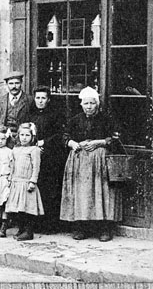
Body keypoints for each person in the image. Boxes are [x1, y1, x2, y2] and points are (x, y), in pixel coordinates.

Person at [61, 86, 122, 242]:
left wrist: (99, 142)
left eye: (92, 103)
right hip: (80, 161)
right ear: (81, 104)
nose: (89, 106)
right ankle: (81, 228)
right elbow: (64, 136)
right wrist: (72, 143)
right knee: (82, 194)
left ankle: (104, 229)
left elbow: (116, 138)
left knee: (101, 193)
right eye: (86, 103)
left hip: (100, 161)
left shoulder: (106, 119)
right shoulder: (75, 120)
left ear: (97, 104)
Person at [29, 86, 67, 232]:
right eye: (38, 98)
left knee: (50, 189)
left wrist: (44, 142)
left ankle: (51, 225)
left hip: (51, 156)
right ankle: (37, 223)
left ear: (48, 100)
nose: (40, 101)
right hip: (35, 155)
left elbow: (59, 134)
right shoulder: (31, 115)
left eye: (43, 98)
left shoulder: (55, 115)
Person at [6, 122, 44, 241]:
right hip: (17, 182)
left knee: (28, 209)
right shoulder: (15, 150)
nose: (24, 138)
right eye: (22, 135)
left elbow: (36, 167)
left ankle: (29, 231)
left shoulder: (34, 150)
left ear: (32, 137)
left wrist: (33, 181)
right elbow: (12, 166)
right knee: (18, 209)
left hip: (27, 183)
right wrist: (10, 179)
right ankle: (21, 229)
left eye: (27, 135)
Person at [0, 71, 33, 147]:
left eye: (17, 83)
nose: (14, 86)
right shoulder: (0, 101)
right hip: (5, 140)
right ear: (6, 84)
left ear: (21, 83)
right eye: (11, 83)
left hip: (23, 140)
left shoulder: (29, 100)